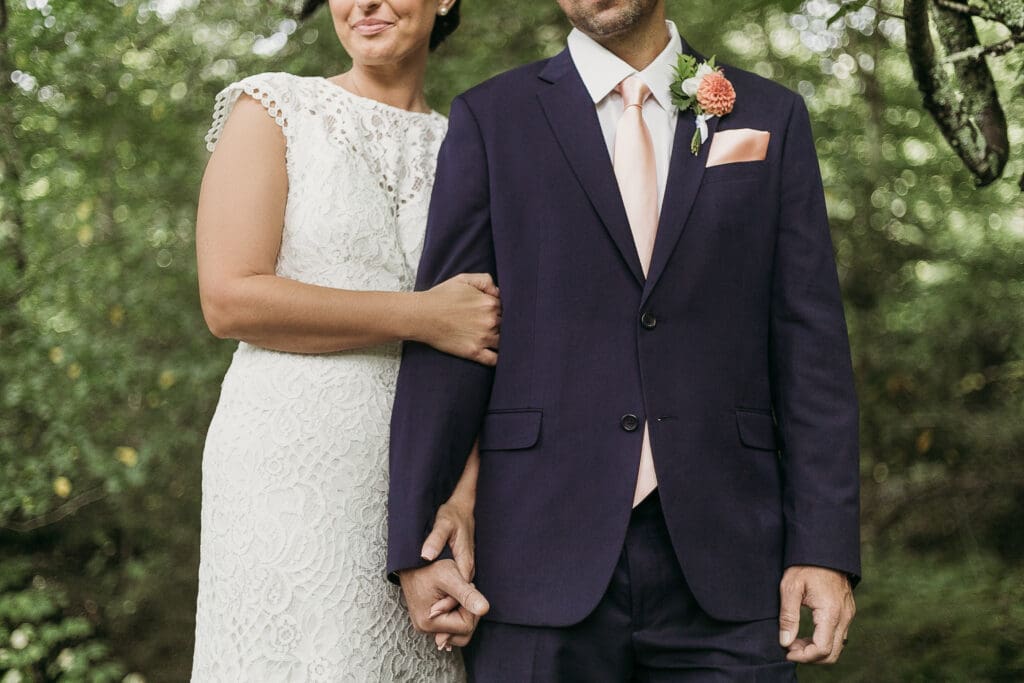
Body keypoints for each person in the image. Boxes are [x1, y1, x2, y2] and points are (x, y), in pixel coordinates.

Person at [388, 0, 861, 679]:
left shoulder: (769, 115)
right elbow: (449, 333)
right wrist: (416, 541)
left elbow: (810, 346)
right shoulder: (492, 119)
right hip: (532, 555)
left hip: (731, 558)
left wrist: (824, 544)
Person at [190, 0, 492, 679]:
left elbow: (489, 337)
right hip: (284, 468)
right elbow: (229, 297)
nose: (365, 4)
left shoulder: (470, 147)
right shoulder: (273, 108)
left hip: (420, 471)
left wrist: (462, 492)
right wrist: (423, 316)